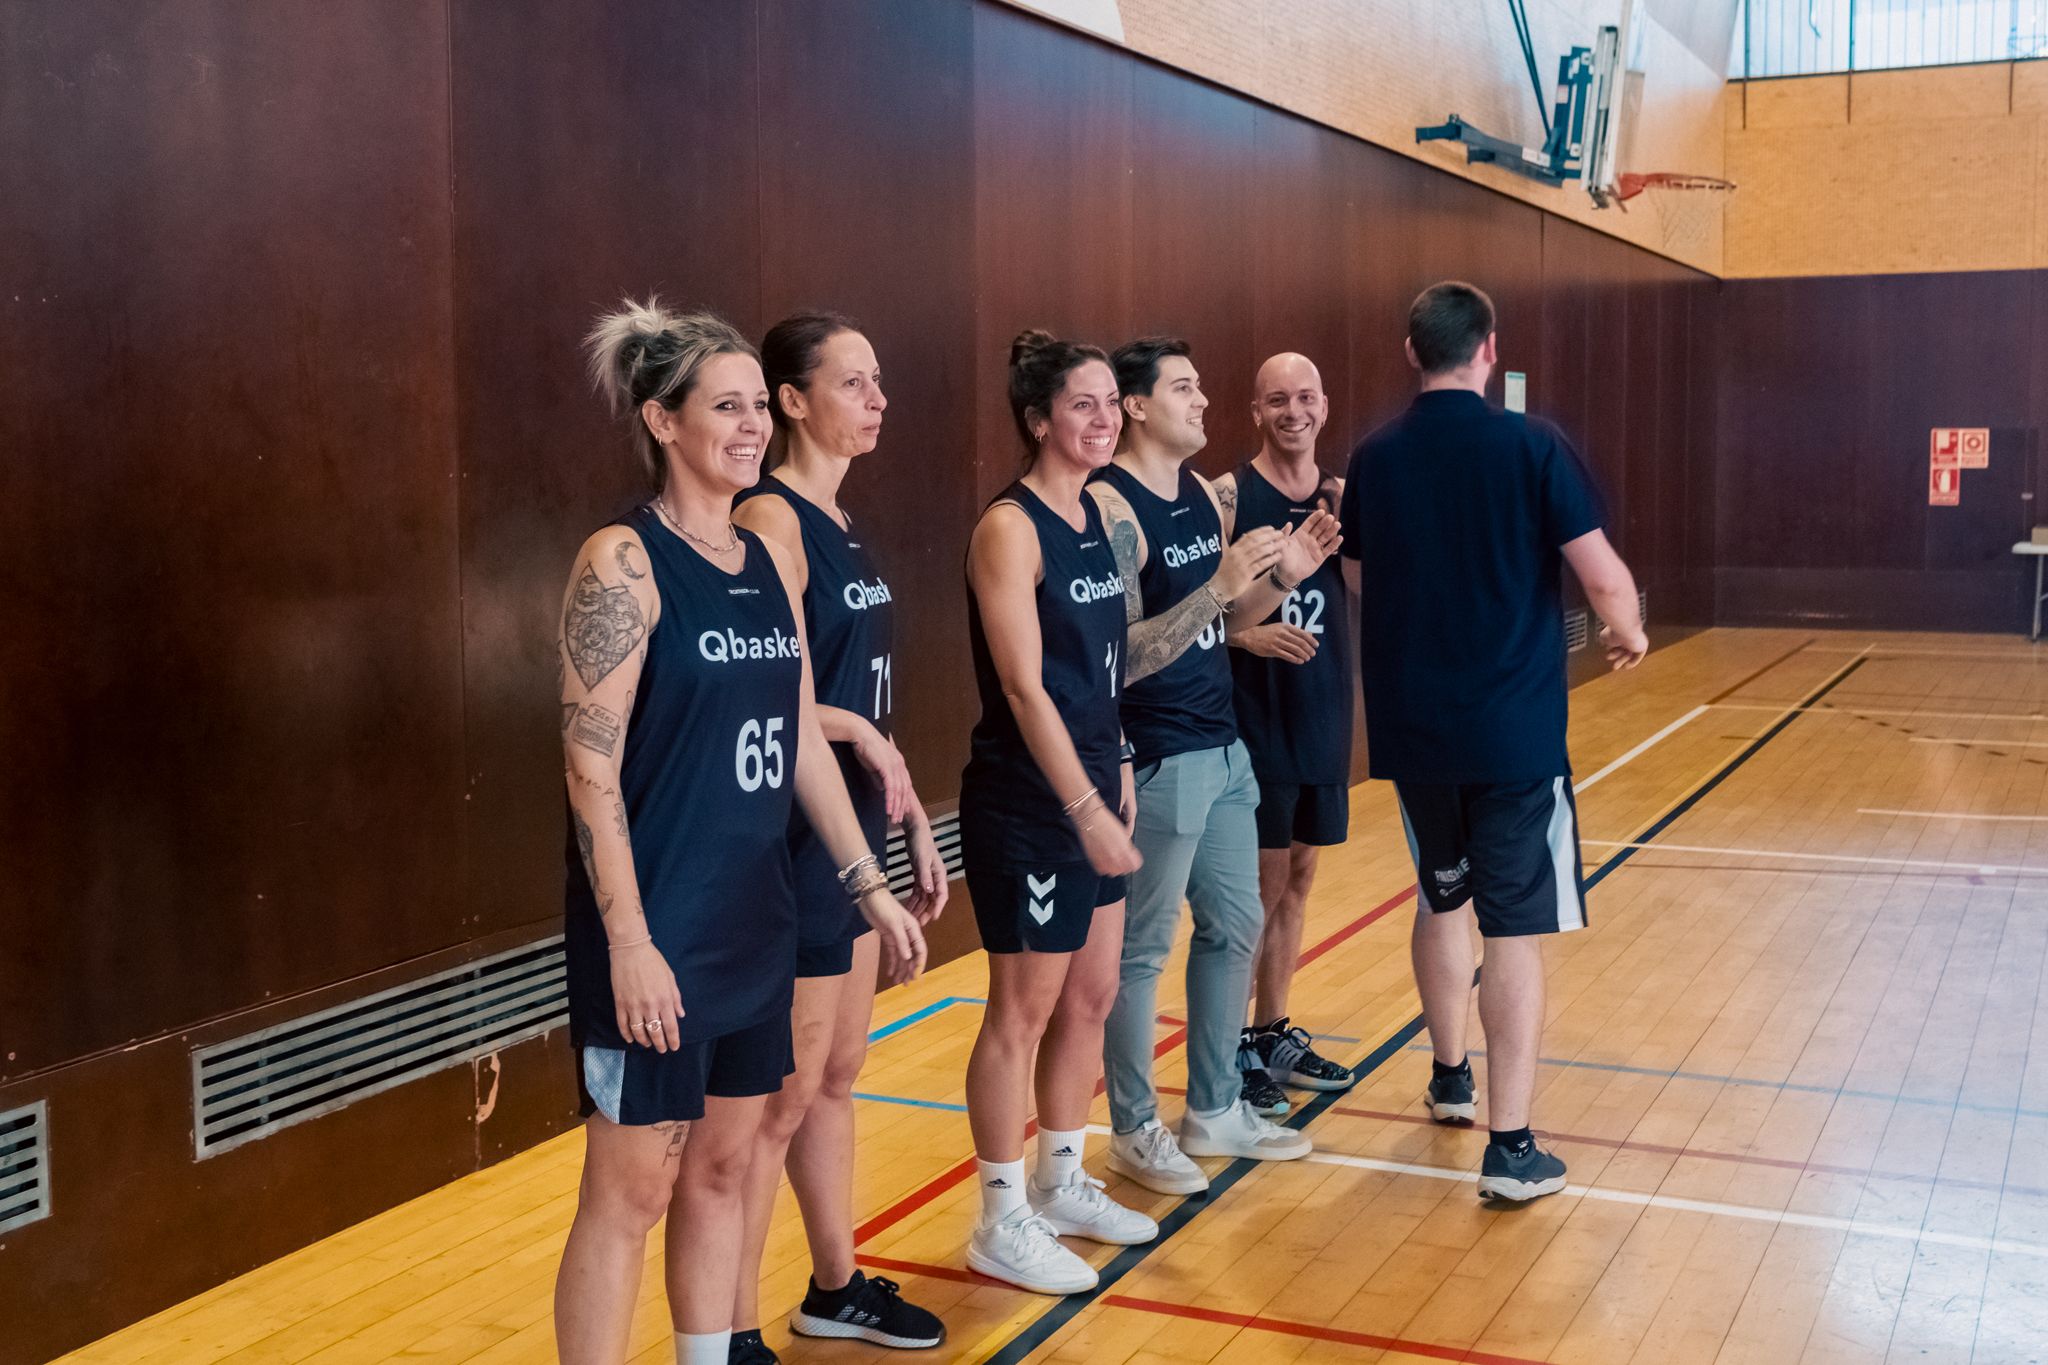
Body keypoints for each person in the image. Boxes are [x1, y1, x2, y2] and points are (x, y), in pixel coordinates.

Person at [553, 300, 926, 1365]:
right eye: (725, 407)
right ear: (663, 421)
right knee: (631, 1190)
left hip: (755, 920)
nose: (752, 425)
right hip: (658, 927)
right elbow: (589, 766)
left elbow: (801, 737)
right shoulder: (621, 561)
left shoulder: (763, 559)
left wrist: (867, 883)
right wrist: (627, 940)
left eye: (759, 406)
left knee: (721, 1168)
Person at [1338, 282, 1646, 1202]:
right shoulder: (1533, 443)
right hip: (1512, 734)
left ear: (1410, 351)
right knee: (1513, 925)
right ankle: (1510, 1147)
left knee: (1441, 895)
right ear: (1488, 350)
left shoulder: (1375, 456)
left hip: (1413, 730)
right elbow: (1600, 572)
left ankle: (1448, 1076)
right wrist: (1625, 627)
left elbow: (1358, 577)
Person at [726, 313, 949, 1363]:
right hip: (796, 845)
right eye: (853, 383)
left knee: (837, 1072)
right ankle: (724, 1331)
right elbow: (770, 698)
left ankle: (833, 1284)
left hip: (857, 831)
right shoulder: (771, 520)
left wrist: (904, 818)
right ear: (790, 400)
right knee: (771, 1105)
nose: (876, 399)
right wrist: (856, 730)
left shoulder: (839, 520)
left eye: (878, 381)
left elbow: (862, 699)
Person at [1086, 338, 1341, 1197]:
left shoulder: (1197, 494)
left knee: (1236, 927)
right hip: (1160, 757)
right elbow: (1118, 654)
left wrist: (1285, 577)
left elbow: (1228, 611)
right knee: (1142, 952)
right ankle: (1132, 1126)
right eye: (1184, 388)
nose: (1203, 400)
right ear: (1135, 406)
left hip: (1227, 747)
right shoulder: (1111, 507)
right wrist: (1223, 588)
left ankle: (1215, 1105)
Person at [956, 330, 1154, 1296]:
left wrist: (1116, 763)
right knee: (1021, 1010)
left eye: (1112, 401)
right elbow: (1027, 687)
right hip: (1030, 807)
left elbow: (1096, 679)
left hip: (1092, 794)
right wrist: (1082, 804)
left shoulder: (1098, 517)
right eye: (1083, 403)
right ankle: (999, 1219)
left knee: (1092, 992)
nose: (1104, 417)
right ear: (1038, 420)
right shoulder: (1011, 527)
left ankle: (1063, 1178)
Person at [1213, 353, 1361, 1117]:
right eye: (1278, 399)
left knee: (1300, 877)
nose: (1294, 411)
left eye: (1306, 397)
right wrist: (1247, 640)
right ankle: (1231, 1043)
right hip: (1257, 719)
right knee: (1258, 889)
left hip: (1324, 711)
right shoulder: (1231, 497)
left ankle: (1272, 1030)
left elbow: (1367, 588)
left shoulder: (1341, 498)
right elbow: (1195, 616)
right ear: (1256, 411)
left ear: (1325, 405)